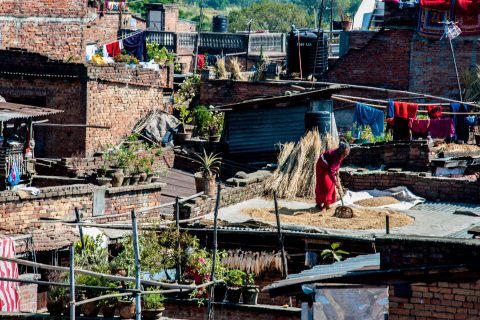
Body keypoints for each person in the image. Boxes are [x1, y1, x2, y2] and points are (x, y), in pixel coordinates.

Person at [315, 142, 350, 211]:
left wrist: (337, 169)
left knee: (330, 185)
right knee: (326, 185)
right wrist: (335, 181)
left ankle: (326, 204)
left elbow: (338, 163)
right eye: (344, 153)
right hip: (321, 166)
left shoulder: (341, 155)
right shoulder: (336, 155)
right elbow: (331, 170)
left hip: (328, 167)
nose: (345, 155)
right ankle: (322, 204)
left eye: (347, 153)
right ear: (341, 151)